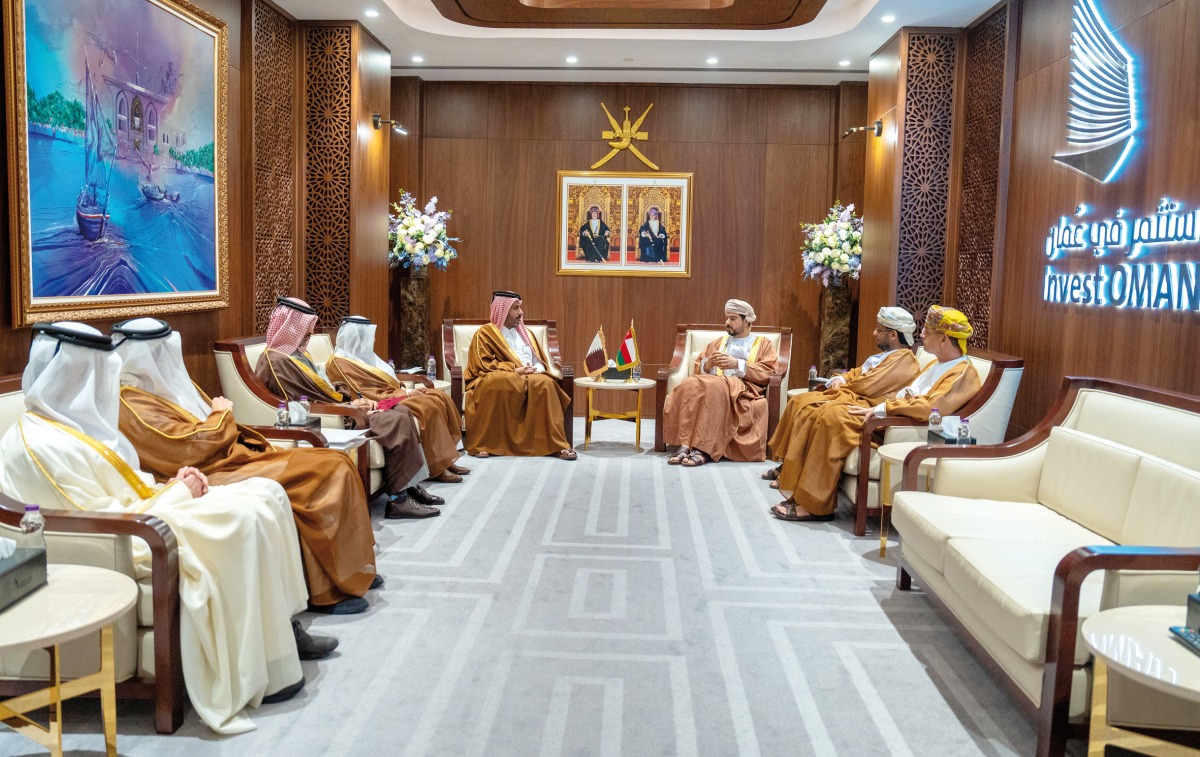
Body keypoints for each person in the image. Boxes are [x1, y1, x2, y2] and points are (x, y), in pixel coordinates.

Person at [0, 322, 332, 735]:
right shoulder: (39, 443)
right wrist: (176, 492)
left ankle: (279, 635)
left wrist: (173, 485)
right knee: (240, 521)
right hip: (123, 540)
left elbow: (126, 486)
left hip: (145, 512)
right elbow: (100, 518)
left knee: (267, 496)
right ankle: (258, 668)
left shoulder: (71, 426)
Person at [113, 317, 380, 615]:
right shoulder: (132, 402)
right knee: (325, 473)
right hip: (211, 471)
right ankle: (327, 589)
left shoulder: (168, 389)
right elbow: (187, 448)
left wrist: (220, 417)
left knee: (336, 461)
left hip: (232, 456)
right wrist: (221, 415)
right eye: (161, 352)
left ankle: (350, 569)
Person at [770, 305, 982, 523]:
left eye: (928, 331)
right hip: (890, 415)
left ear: (944, 339)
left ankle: (814, 505)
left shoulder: (962, 373)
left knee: (833, 417)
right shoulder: (940, 365)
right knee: (827, 412)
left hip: (897, 423)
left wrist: (882, 409)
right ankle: (802, 495)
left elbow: (928, 408)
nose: (921, 334)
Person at [254, 297, 442, 519]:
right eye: (305, 328)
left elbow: (323, 386)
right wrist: (351, 406)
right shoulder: (276, 361)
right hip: (325, 417)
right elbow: (299, 399)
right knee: (395, 420)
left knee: (403, 411)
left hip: (339, 407)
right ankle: (398, 500)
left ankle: (410, 485)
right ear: (292, 326)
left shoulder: (298, 355)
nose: (310, 334)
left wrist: (353, 401)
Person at [765, 307, 921, 489]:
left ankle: (794, 472)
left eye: (879, 330)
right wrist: (841, 378)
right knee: (800, 401)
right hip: (854, 395)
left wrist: (843, 386)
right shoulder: (886, 356)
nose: (874, 333)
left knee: (812, 409)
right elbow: (859, 372)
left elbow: (868, 385)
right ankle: (789, 465)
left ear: (893, 335)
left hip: (866, 403)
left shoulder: (905, 360)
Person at [327, 315, 471, 483]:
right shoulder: (338, 363)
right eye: (369, 335)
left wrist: (405, 390)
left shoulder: (364, 357)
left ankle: (446, 459)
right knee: (426, 405)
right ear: (357, 338)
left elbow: (387, 381)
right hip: (378, 403)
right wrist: (406, 394)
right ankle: (436, 468)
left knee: (439, 396)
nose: (373, 339)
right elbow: (365, 392)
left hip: (392, 395)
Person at [662, 299, 779, 466]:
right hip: (715, 384)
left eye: (732, 319)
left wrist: (737, 364)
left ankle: (704, 448)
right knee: (690, 383)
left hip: (742, 388)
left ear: (746, 321)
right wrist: (707, 366)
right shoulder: (719, 343)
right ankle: (686, 443)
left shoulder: (762, 344)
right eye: (727, 318)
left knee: (714, 386)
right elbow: (700, 368)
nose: (727, 323)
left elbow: (768, 371)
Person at [463, 291, 576, 459]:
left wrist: (535, 369)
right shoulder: (485, 334)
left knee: (545, 383)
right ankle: (486, 443)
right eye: (515, 309)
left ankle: (556, 445)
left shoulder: (527, 334)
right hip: (501, 375)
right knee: (497, 382)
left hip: (529, 375)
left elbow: (539, 359)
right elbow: (483, 364)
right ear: (502, 310)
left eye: (520, 308)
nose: (521, 313)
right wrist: (514, 370)